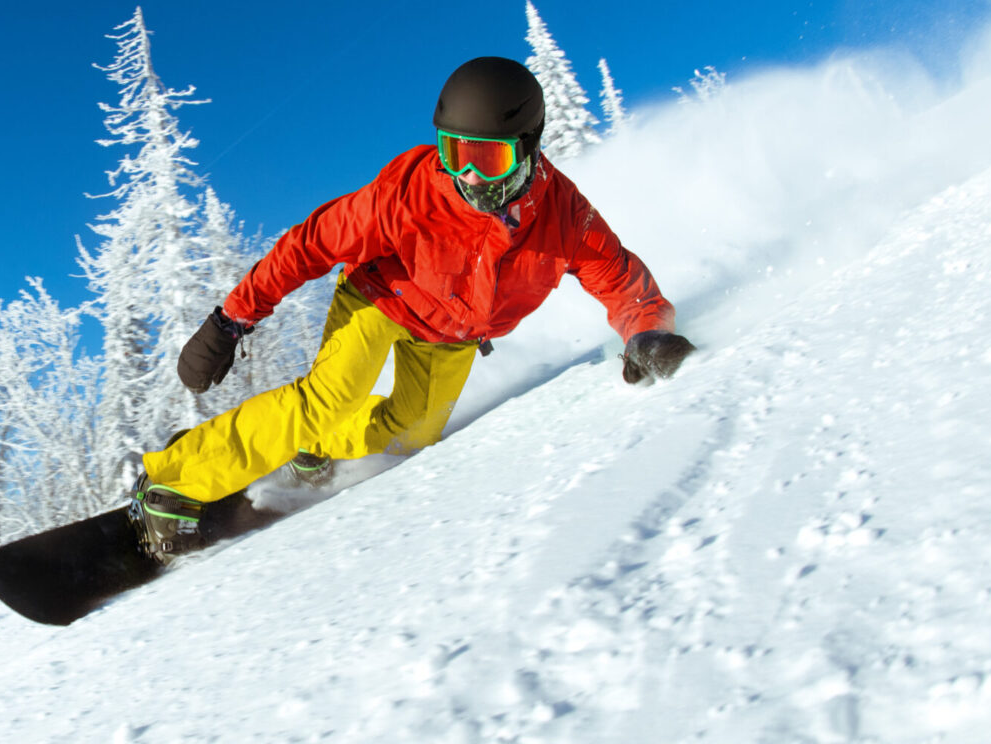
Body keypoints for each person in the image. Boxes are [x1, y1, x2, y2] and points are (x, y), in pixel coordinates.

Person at [129, 56, 697, 560]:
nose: (469, 176)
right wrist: (231, 321)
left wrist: (646, 332)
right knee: (329, 399)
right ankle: (174, 480)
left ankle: (316, 449)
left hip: (451, 335)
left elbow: (618, 276)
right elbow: (309, 245)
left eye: (488, 159)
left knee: (413, 433)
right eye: (455, 153)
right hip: (381, 299)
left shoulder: (564, 216)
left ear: (528, 148)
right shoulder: (410, 193)